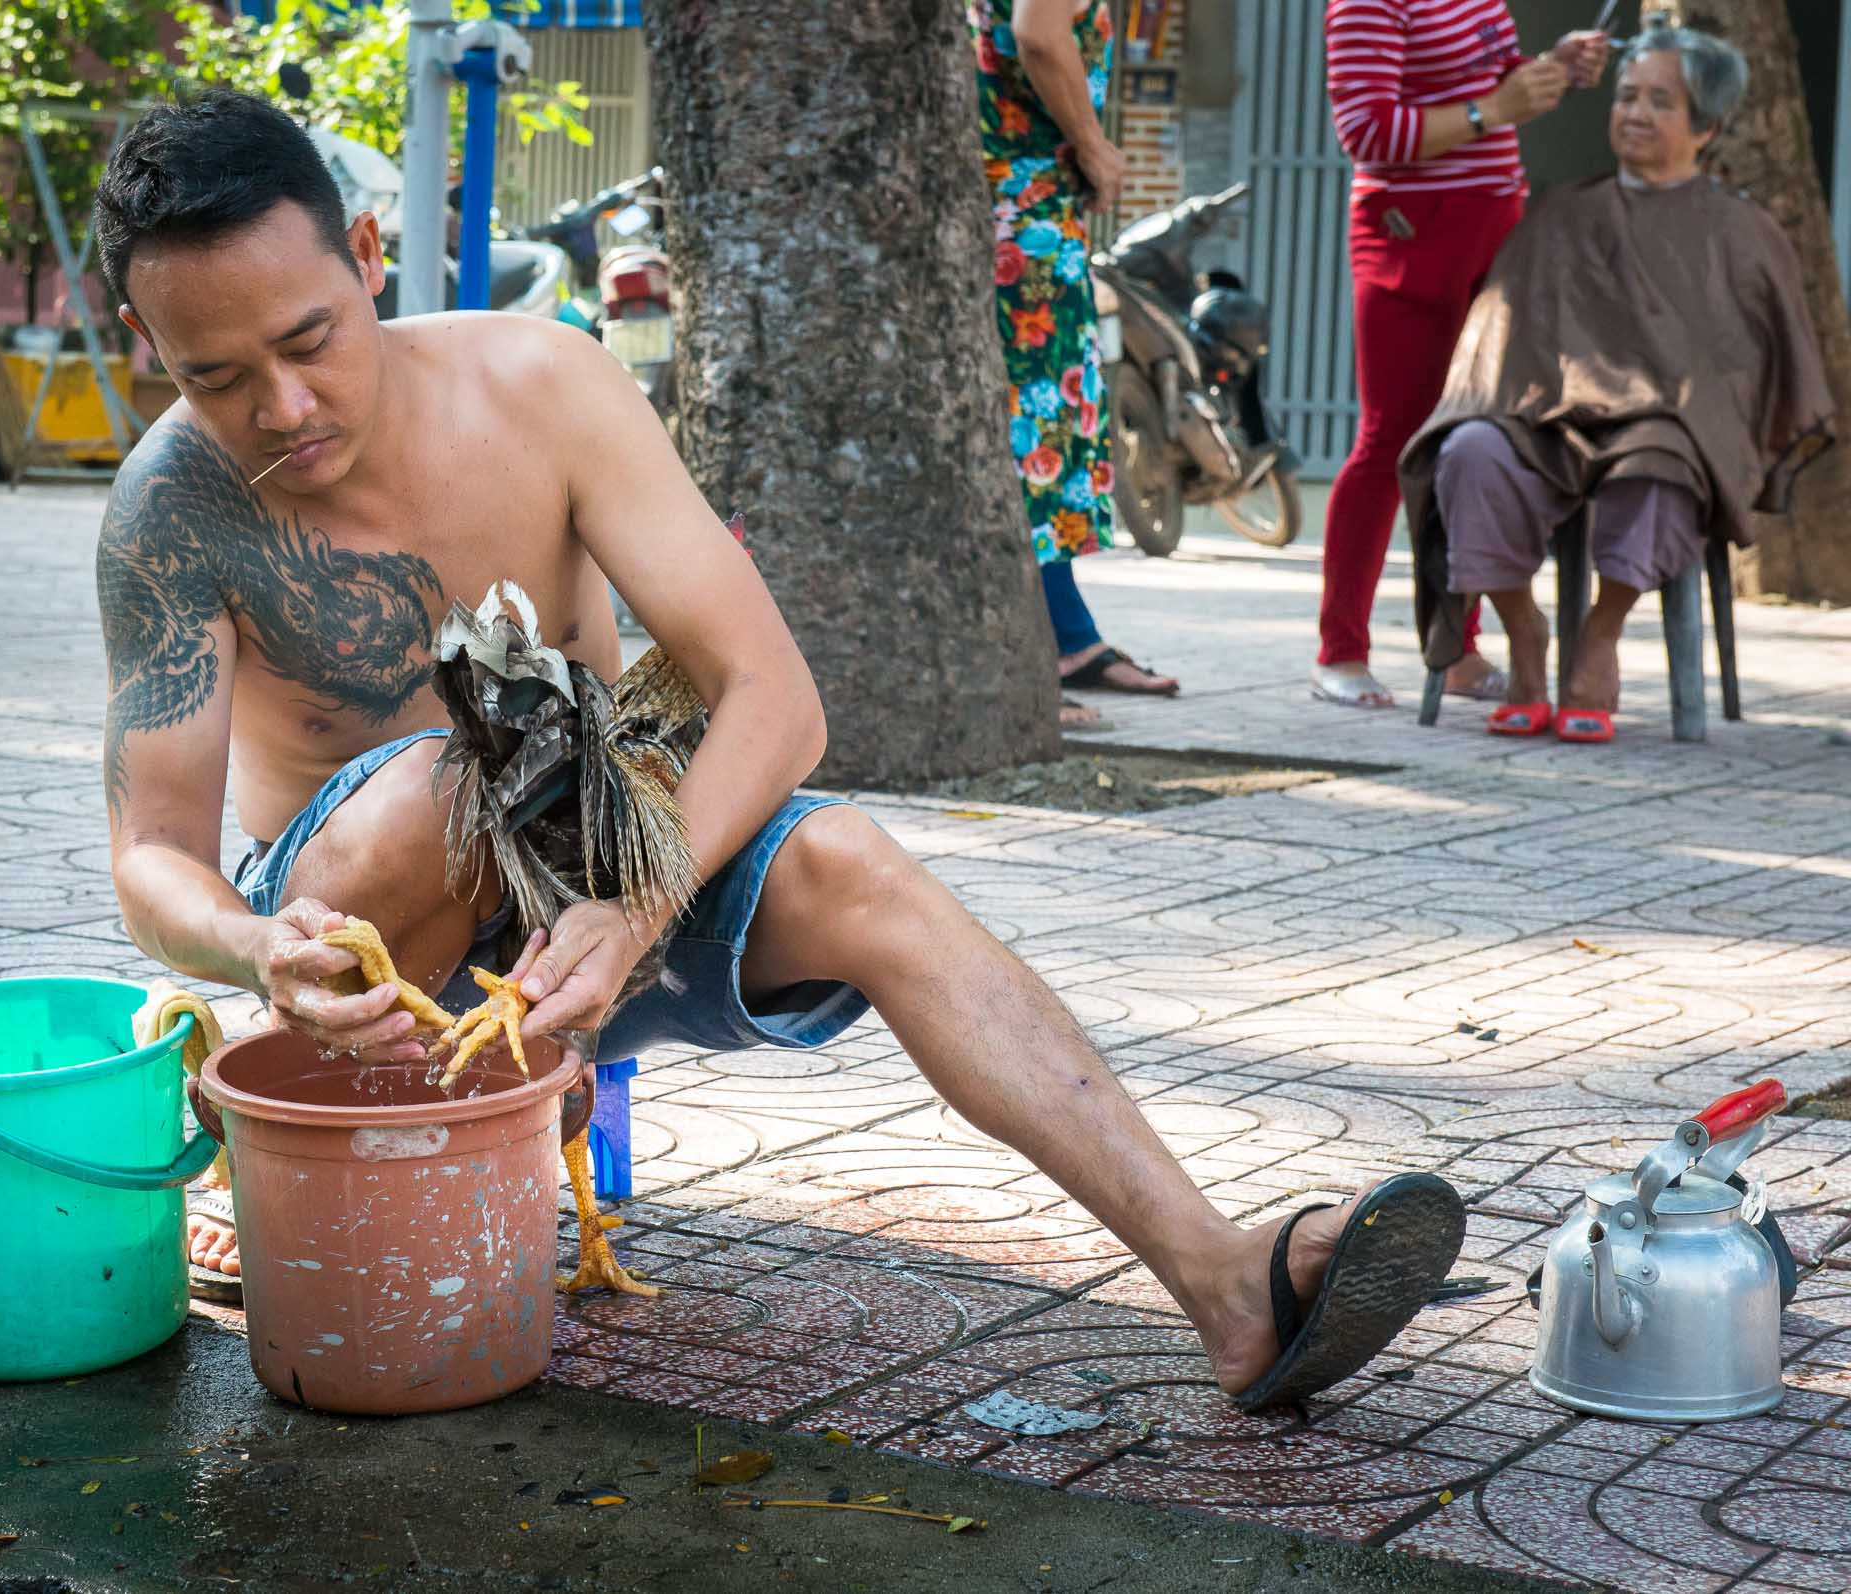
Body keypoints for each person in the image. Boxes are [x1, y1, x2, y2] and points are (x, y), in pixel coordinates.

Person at [91, 88, 1469, 1411]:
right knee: (445, 788)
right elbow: (156, 857)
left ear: (372, 259)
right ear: (155, 350)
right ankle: (315, 1166)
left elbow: (774, 696)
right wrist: (259, 951)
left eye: (310, 338)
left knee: (858, 865)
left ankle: (1227, 1281)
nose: (283, 406)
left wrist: (631, 914)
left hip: (595, 876)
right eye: (217, 376)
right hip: (359, 954)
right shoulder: (168, 513)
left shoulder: (545, 383)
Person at [1401, 28, 1834, 742]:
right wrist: (1542, 397)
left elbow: (1745, 370)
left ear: (1708, 127)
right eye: (1627, 95)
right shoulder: (1564, 212)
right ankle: (1525, 631)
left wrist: (1671, 404)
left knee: (1664, 464)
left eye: (1660, 101)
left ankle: (1601, 634)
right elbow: (1502, 342)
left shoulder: (1741, 232)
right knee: (1470, 448)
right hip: (1543, 416)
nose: (1634, 112)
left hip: (1666, 429)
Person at [1314, 0, 1608, 709]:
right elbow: (1366, 133)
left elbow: (1478, 80)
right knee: (1393, 441)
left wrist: (1547, 70)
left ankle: (1458, 652)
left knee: (1472, 441)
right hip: (1411, 237)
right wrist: (1494, 108)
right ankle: (1341, 651)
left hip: (1496, 228)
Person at [971, 0, 1180, 731]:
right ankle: (1036, 657)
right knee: (1032, 439)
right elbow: (1038, 30)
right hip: (1021, 220)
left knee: (1037, 435)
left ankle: (1068, 638)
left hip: (1021, 212)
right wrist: (1093, 144)